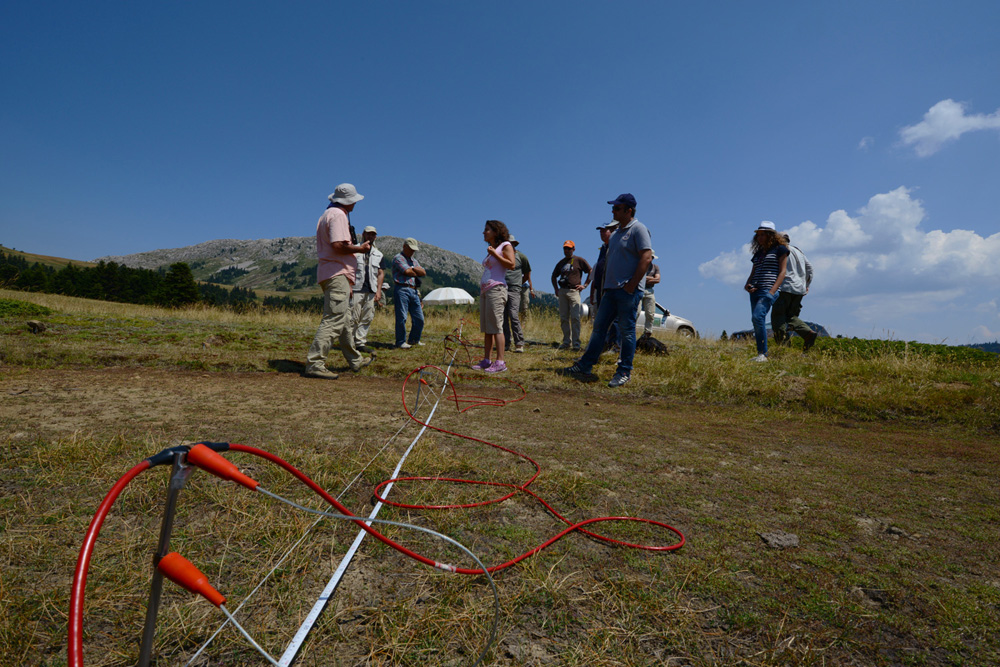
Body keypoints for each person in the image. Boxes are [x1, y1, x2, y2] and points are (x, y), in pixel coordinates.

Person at [563, 193, 652, 388]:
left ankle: (624, 371)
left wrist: (632, 285)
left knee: (627, 331)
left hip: (627, 291)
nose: (613, 211)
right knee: (599, 329)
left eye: (617, 208)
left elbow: (646, 258)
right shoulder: (617, 234)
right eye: (613, 207)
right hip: (610, 291)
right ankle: (585, 365)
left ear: (628, 210)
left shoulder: (639, 229)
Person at [305, 183, 374, 380]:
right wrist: (360, 249)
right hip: (337, 273)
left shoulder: (328, 214)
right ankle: (315, 363)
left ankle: (355, 360)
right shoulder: (338, 215)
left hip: (334, 274)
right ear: (349, 201)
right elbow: (338, 245)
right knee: (334, 319)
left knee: (343, 320)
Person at [472, 220, 516, 373]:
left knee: (497, 326)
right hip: (486, 291)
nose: (484, 232)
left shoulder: (506, 246)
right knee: (487, 328)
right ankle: (487, 360)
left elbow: (511, 264)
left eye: (487, 230)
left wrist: (493, 255)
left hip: (496, 289)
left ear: (496, 232)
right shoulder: (493, 249)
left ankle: (500, 362)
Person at [743, 221, 789, 362]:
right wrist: (747, 284)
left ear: (771, 235)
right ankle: (761, 353)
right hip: (755, 289)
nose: (760, 237)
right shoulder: (759, 253)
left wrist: (772, 291)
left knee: (757, 317)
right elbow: (754, 270)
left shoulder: (781, 249)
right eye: (758, 235)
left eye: (763, 234)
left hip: (768, 290)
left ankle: (763, 354)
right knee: (757, 321)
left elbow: (782, 272)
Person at [771, 233, 817, 350]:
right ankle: (808, 333)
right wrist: (807, 284)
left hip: (785, 287)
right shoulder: (798, 251)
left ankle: (784, 347)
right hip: (799, 289)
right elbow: (810, 268)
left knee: (778, 317)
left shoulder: (779, 250)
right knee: (790, 316)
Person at [550, 240, 592, 350]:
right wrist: (556, 289)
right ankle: (566, 342)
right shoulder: (561, 262)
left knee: (575, 317)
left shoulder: (579, 260)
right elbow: (553, 276)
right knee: (564, 317)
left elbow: (590, 271)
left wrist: (585, 285)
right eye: (565, 248)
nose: (567, 250)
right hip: (563, 291)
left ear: (573, 249)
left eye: (569, 248)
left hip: (574, 291)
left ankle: (576, 343)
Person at [351, 225, 384, 353]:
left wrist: (379, 290)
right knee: (353, 317)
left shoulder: (379, 254)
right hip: (356, 288)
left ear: (375, 236)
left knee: (367, 317)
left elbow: (380, 273)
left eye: (373, 234)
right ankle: (350, 341)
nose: (370, 236)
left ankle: (360, 342)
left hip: (371, 289)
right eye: (368, 234)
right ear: (363, 234)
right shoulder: (355, 249)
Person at [589, 222, 619, 350]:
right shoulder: (603, 248)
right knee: (602, 321)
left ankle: (615, 346)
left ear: (611, 232)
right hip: (601, 290)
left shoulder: (615, 247)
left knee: (614, 320)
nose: (602, 233)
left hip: (611, 289)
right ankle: (604, 345)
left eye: (604, 230)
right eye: (600, 231)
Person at [392, 237, 426, 349]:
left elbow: (423, 272)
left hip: (414, 289)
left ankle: (414, 339)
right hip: (402, 289)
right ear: (404, 246)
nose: (412, 252)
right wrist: (416, 270)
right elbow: (407, 271)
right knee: (401, 316)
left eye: (414, 250)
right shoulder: (398, 258)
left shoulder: (414, 261)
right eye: (410, 249)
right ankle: (400, 341)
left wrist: (413, 269)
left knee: (419, 318)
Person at [502, 235, 529, 353]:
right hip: (502, 288)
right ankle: (506, 343)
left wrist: (518, 284)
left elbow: (527, 274)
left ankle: (519, 343)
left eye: (510, 243)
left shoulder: (521, 257)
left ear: (514, 244)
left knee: (513, 315)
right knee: (502, 317)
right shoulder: (501, 256)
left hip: (514, 289)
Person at [639, 255, 661, 336]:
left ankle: (647, 332)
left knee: (650, 313)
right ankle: (631, 331)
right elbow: (638, 277)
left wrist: (644, 278)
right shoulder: (639, 265)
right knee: (636, 312)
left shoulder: (655, 267)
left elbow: (658, 279)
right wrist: (651, 278)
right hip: (639, 290)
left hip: (650, 291)